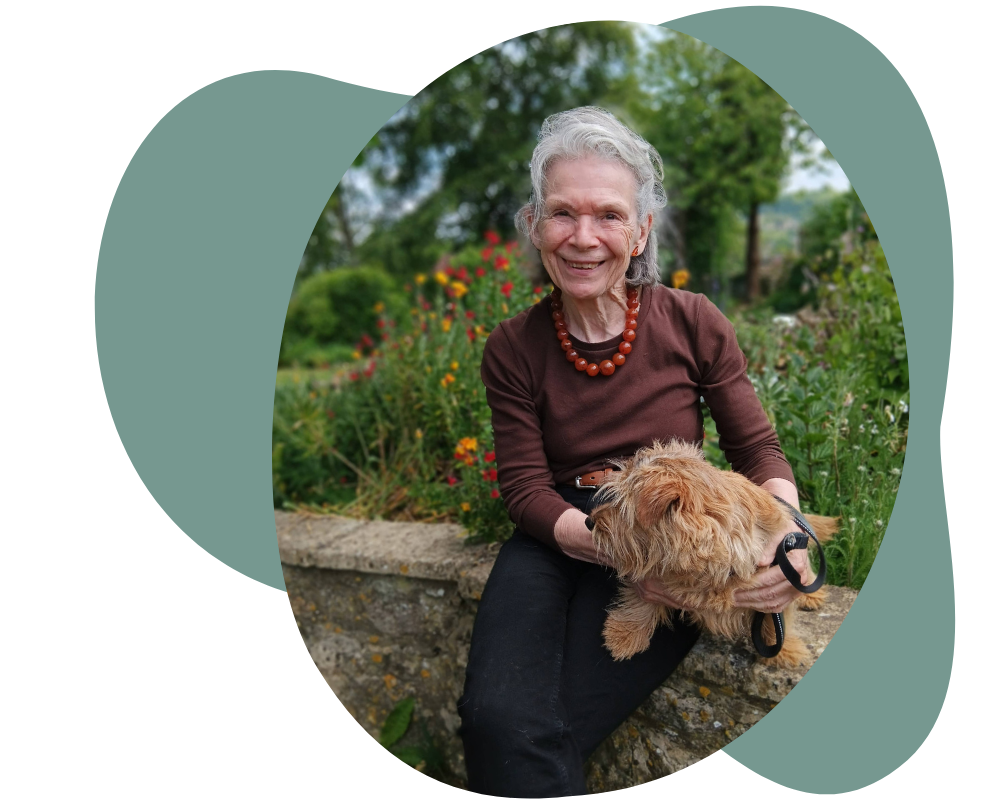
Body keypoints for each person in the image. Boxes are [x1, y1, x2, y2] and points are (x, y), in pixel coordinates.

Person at [456, 106, 809, 798]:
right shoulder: (511, 347)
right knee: (494, 712)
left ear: (642, 230)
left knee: (534, 729)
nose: (583, 238)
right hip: (558, 531)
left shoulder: (693, 320)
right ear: (534, 227)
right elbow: (525, 487)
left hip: (669, 528)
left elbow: (757, 448)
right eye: (562, 214)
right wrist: (622, 550)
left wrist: (789, 538)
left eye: (609, 215)